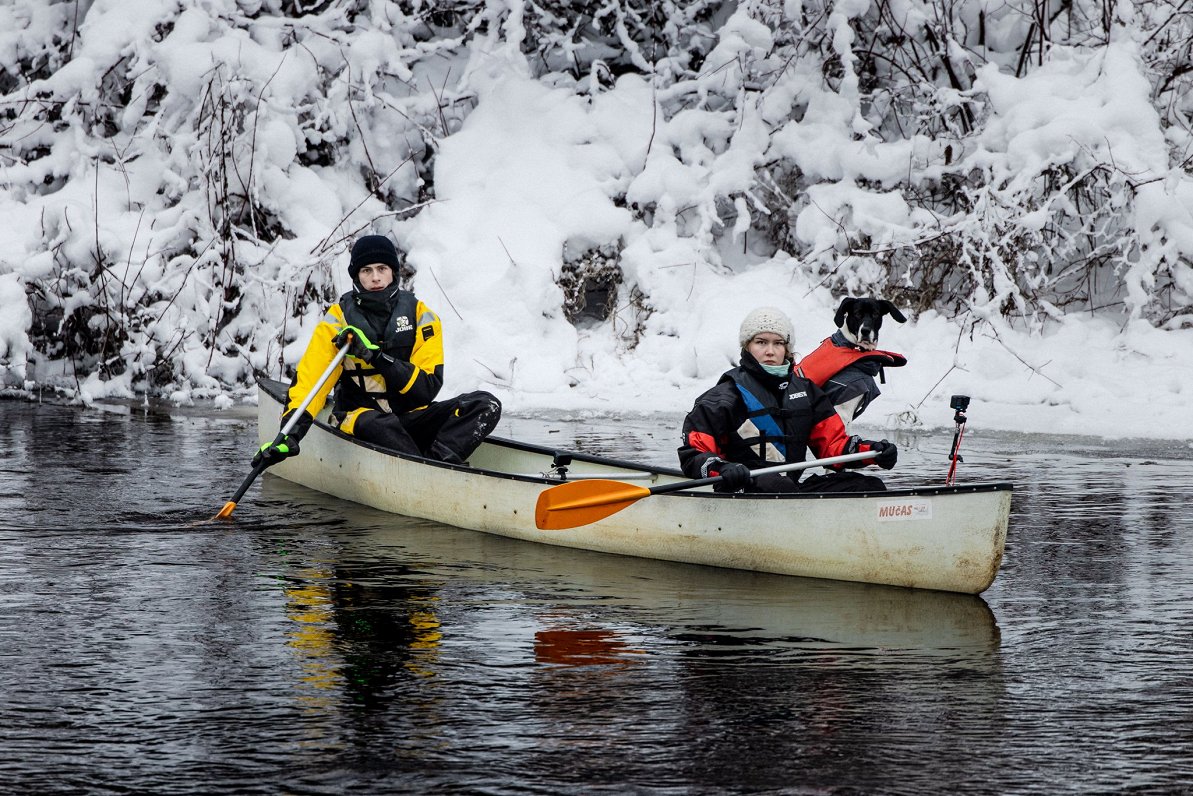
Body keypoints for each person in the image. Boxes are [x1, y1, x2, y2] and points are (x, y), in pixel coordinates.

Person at [253, 234, 501, 468]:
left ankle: (438, 464)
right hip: (358, 417)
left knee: (486, 404)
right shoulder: (338, 320)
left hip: (409, 416)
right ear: (356, 276)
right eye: (366, 270)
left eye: (382, 269)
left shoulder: (421, 316)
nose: (375, 278)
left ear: (393, 272)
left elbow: (427, 389)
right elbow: (311, 382)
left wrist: (377, 358)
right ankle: (429, 470)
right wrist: (289, 435)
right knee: (379, 425)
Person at [677, 306, 896, 493]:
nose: (770, 351)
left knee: (869, 486)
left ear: (787, 349)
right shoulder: (722, 398)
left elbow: (834, 446)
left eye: (778, 343)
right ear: (747, 347)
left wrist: (872, 451)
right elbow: (693, 456)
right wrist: (722, 468)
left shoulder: (807, 392)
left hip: (788, 490)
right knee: (775, 485)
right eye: (761, 342)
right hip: (741, 490)